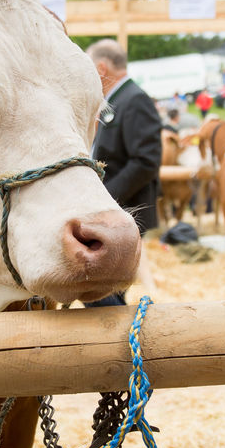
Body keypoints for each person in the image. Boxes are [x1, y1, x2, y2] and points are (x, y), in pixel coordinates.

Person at [86, 39, 163, 307]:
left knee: (98, 288)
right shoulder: (119, 99)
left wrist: (105, 197)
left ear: (101, 69)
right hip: (113, 209)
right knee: (107, 287)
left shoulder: (135, 100)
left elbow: (146, 160)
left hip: (123, 207)